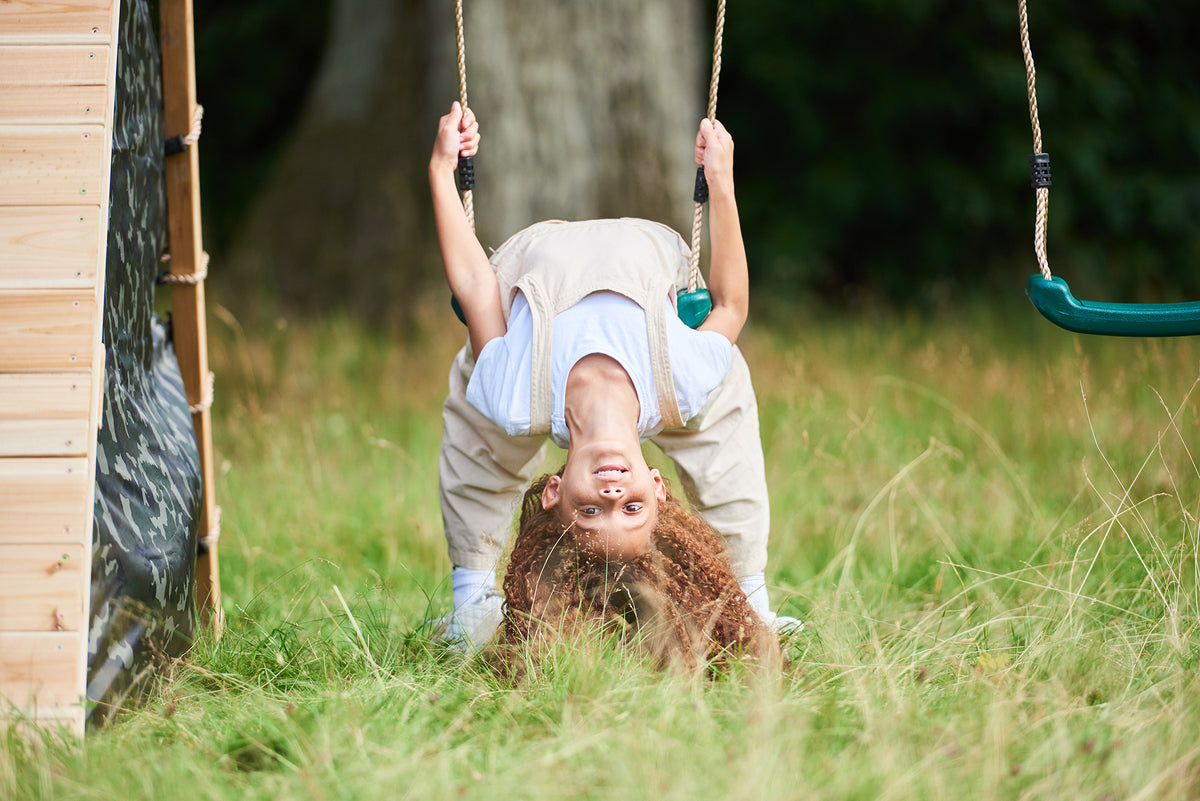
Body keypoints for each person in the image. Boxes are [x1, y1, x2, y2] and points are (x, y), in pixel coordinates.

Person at [429, 100, 799, 650]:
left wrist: (441, 169)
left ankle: (472, 597)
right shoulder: (680, 383)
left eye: (591, 509)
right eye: (631, 508)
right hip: (649, 257)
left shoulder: (516, 397)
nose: (611, 491)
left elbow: (476, 288)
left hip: (535, 259)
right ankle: (750, 600)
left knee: (478, 427)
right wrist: (720, 182)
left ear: (554, 492)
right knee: (725, 431)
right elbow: (732, 305)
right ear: (656, 488)